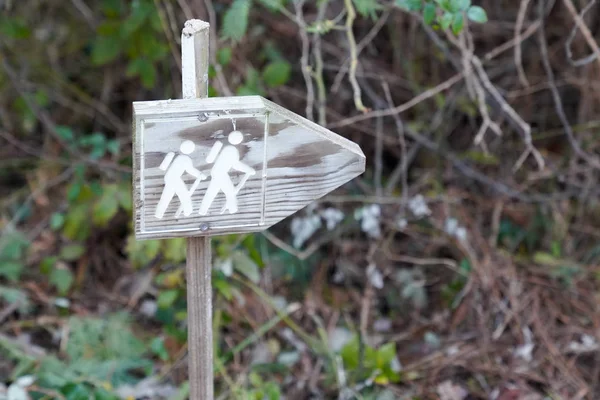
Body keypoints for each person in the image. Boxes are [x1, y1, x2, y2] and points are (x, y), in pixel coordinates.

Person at [199, 131, 255, 215]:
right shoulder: (232, 150)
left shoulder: (221, 143)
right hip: (221, 174)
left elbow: (209, 159)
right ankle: (233, 209)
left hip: (216, 172)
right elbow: (235, 165)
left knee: (212, 192)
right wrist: (249, 170)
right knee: (230, 192)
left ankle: (202, 210)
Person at [155, 140, 205, 219]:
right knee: (183, 194)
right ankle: (187, 211)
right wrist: (200, 175)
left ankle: (159, 213)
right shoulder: (185, 159)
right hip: (174, 178)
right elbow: (190, 170)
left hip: (169, 177)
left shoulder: (176, 155)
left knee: (167, 196)